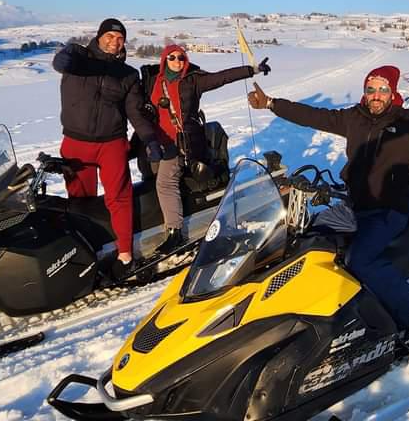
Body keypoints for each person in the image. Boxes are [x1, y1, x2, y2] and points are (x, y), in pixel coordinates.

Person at [246, 65, 409, 342]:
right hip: (356, 205)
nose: (376, 95)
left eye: (382, 90)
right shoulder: (353, 117)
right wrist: (270, 103)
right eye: (371, 89)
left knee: (361, 259)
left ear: (392, 93)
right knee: (308, 241)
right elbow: (313, 116)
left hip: (389, 209)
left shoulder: (407, 122)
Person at [53, 18, 159, 271]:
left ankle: (124, 254)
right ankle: (87, 254)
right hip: (76, 143)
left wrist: (150, 139)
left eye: (120, 38)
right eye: (110, 36)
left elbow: (135, 113)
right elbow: (60, 63)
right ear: (99, 36)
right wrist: (66, 55)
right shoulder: (79, 59)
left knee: (119, 199)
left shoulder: (128, 75)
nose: (115, 42)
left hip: (111, 143)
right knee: (79, 201)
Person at [145, 44, 270, 253]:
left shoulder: (193, 80)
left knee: (165, 182)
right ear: (164, 60)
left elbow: (222, 77)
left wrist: (251, 70)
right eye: (172, 58)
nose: (178, 62)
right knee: (151, 175)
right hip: (159, 141)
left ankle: (175, 232)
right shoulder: (154, 82)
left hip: (184, 142)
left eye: (181, 59)